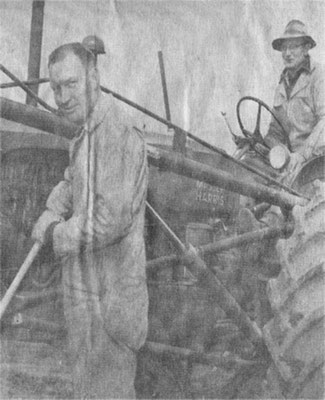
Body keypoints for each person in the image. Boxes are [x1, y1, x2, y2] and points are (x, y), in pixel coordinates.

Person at [32, 42, 148, 399]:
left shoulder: (114, 130)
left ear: (93, 78)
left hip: (110, 302)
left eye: (71, 84)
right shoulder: (86, 131)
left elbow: (109, 220)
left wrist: (55, 233)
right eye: (56, 88)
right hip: (89, 294)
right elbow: (78, 178)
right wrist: (58, 199)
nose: (63, 97)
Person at [264, 19, 325, 182]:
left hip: (317, 162)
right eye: (284, 47)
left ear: (306, 48)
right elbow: (276, 131)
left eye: (293, 46)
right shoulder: (282, 84)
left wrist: (302, 155)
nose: (287, 53)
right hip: (290, 163)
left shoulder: (319, 77)